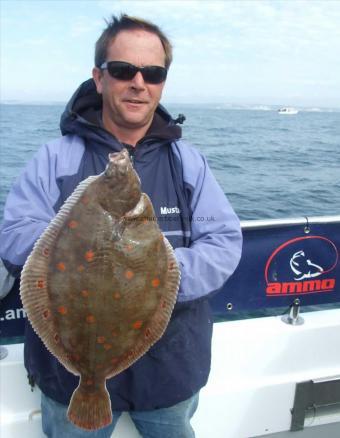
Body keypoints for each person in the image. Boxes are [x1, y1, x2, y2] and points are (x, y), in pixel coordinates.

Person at [0, 14, 242, 438]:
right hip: (68, 378)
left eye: (152, 73)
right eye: (122, 70)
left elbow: (221, 241)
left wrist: (155, 278)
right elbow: (15, 231)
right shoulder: (56, 158)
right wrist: (78, 255)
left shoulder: (188, 162)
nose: (138, 82)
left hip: (169, 375)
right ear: (99, 78)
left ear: (162, 82)